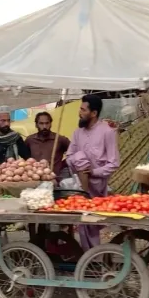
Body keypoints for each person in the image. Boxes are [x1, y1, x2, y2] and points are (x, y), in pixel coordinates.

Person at [66, 94, 120, 250]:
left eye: (83, 109)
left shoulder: (107, 132)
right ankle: (89, 258)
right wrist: (79, 163)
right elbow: (69, 156)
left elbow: (114, 163)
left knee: (92, 223)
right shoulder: (77, 132)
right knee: (83, 223)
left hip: (98, 185)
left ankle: (94, 258)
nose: (79, 112)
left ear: (94, 113)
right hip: (81, 184)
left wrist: (94, 172)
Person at [25, 112, 70, 178]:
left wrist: (63, 164)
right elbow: (25, 157)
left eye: (47, 123)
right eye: (41, 123)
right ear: (36, 125)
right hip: (35, 179)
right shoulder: (30, 140)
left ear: (51, 124)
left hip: (54, 179)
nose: (44, 126)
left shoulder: (59, 139)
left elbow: (74, 152)